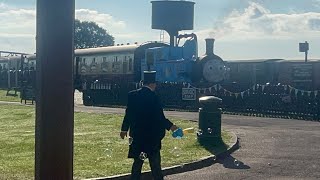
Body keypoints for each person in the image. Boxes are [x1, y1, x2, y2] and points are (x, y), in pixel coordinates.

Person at [120, 71, 179, 180]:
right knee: (155, 165)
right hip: (152, 138)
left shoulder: (132, 95)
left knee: (137, 164)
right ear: (153, 84)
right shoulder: (154, 97)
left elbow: (128, 114)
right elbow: (160, 117)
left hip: (137, 136)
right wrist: (171, 126)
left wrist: (124, 130)